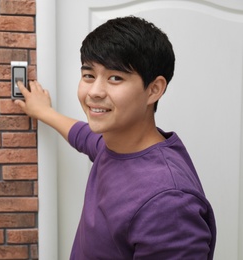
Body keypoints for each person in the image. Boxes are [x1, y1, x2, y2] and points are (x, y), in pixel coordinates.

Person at [14, 16, 216, 260]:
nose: (95, 92)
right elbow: (83, 136)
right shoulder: (115, 144)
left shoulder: (168, 203)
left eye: (115, 78)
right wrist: (44, 112)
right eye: (89, 75)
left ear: (154, 89)